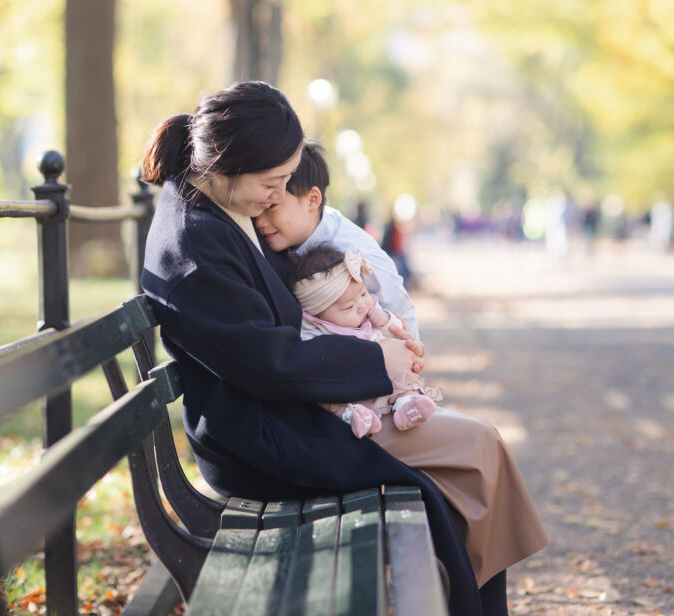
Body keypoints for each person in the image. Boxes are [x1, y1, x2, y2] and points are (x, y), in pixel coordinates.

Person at [140, 81, 547, 616]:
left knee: (478, 453)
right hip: (266, 440)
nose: (276, 195)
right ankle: (478, 604)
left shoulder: (216, 208)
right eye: (274, 181)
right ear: (231, 162)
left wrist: (375, 334)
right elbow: (269, 364)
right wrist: (381, 363)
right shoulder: (194, 244)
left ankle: (478, 601)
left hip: (288, 413)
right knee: (476, 452)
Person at [255, 142, 419, 337]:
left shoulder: (353, 248)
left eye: (271, 206)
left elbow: (398, 304)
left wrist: (409, 356)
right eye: (258, 207)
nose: (259, 221)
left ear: (312, 200)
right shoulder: (280, 241)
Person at [291, 244, 440, 437]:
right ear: (317, 315)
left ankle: (407, 402)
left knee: (402, 369)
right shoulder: (315, 332)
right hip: (351, 390)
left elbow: (396, 330)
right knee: (328, 398)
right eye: (348, 307)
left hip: (387, 381)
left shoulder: (371, 312)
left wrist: (386, 319)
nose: (362, 306)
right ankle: (354, 416)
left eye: (362, 293)